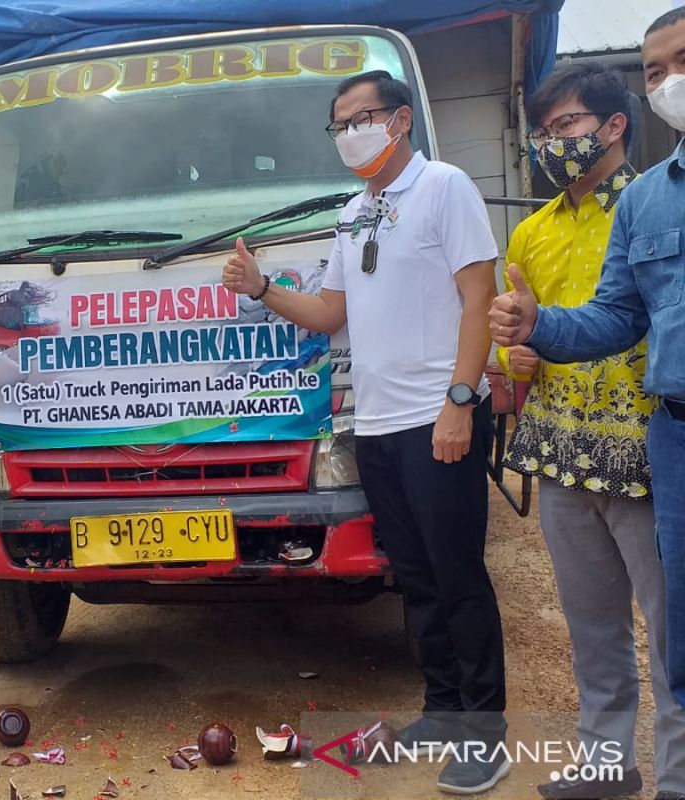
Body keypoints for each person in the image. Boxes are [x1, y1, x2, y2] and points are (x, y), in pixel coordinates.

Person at [224, 71, 505, 794]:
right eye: (340, 124)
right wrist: (260, 289)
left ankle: (486, 732)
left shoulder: (446, 187)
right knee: (415, 578)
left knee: (459, 576)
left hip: (438, 418)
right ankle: (442, 708)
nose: (351, 133)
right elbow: (327, 314)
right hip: (377, 425)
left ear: (401, 119)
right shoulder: (353, 213)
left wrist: (460, 399)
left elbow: (480, 300)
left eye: (363, 117)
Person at [490, 8, 685, 715]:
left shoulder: (644, 202)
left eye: (564, 126)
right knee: (592, 629)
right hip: (560, 455)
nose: (549, 144)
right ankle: (607, 765)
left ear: (614, 125)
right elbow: (530, 343)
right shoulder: (531, 235)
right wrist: (516, 344)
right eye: (541, 132)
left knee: (672, 637)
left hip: (647, 454)